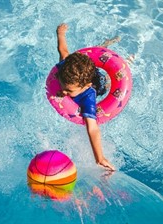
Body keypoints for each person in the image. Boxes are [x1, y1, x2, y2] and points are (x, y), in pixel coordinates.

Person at [55, 23, 116, 171]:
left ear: (85, 86)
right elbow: (63, 50)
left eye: (69, 91)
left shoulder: (89, 97)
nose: (63, 92)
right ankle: (105, 44)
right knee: (89, 60)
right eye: (62, 87)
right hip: (84, 76)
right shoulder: (65, 69)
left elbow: (93, 128)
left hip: (98, 84)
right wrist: (60, 34)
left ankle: (122, 56)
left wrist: (99, 158)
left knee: (107, 82)